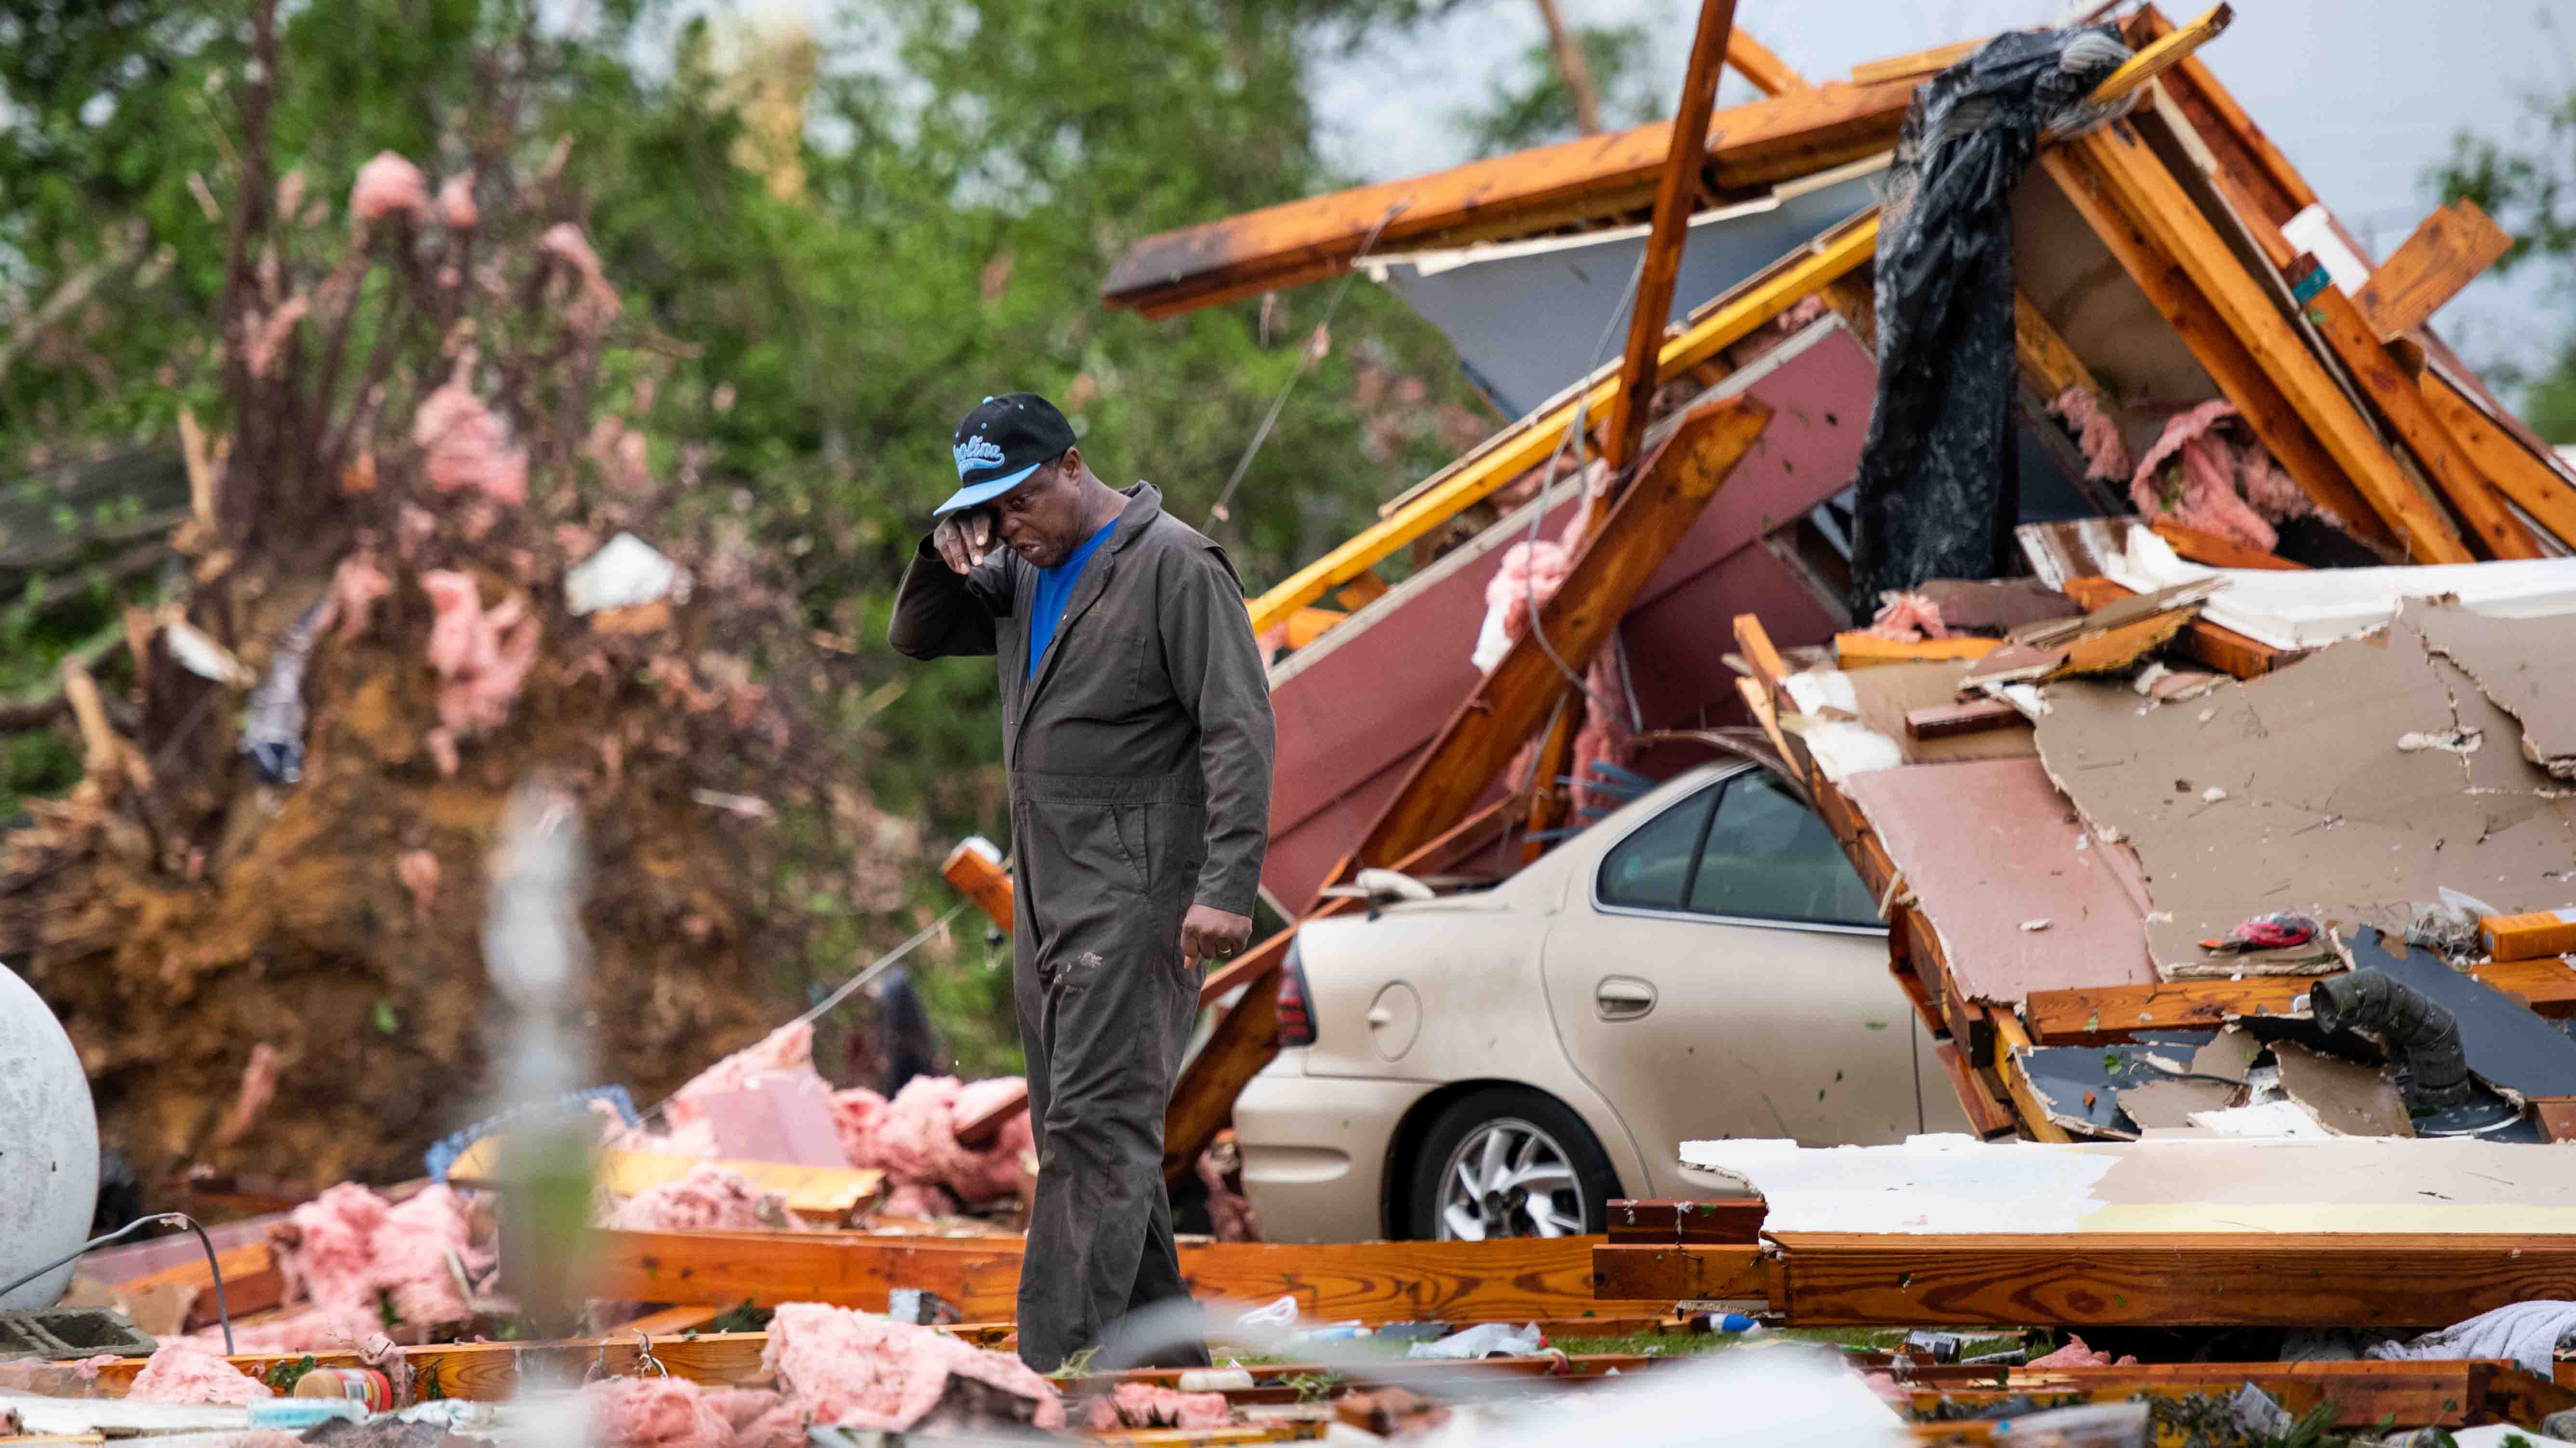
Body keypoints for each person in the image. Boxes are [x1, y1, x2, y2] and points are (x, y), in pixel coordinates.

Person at [889, 393, 1275, 1371]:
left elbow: (1240, 729)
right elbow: (918, 636)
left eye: (1016, 501)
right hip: (1048, 895)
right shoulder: (1022, 570)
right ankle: (1169, 1360)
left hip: (1138, 896)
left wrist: (1227, 885)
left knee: (1093, 1139)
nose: (1008, 526)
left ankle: (1051, 1375)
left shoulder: (1173, 567)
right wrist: (947, 543)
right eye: (990, 510)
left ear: (1070, 465)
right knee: (1094, 1133)